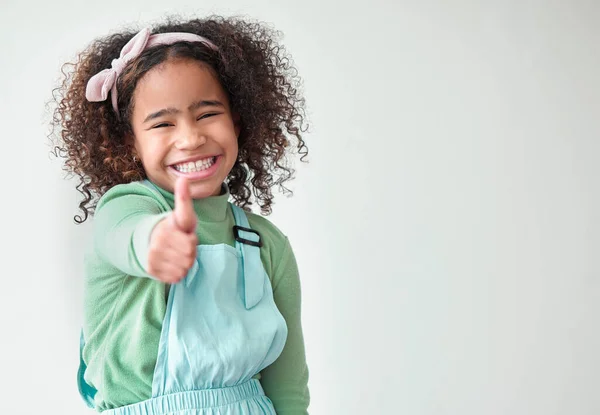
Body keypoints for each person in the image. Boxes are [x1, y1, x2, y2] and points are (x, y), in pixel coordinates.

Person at [49, 15, 310, 415]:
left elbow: (288, 382)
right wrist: (156, 243)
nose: (190, 138)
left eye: (207, 114)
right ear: (129, 142)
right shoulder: (125, 208)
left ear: (237, 122)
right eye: (163, 123)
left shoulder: (267, 244)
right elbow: (128, 236)